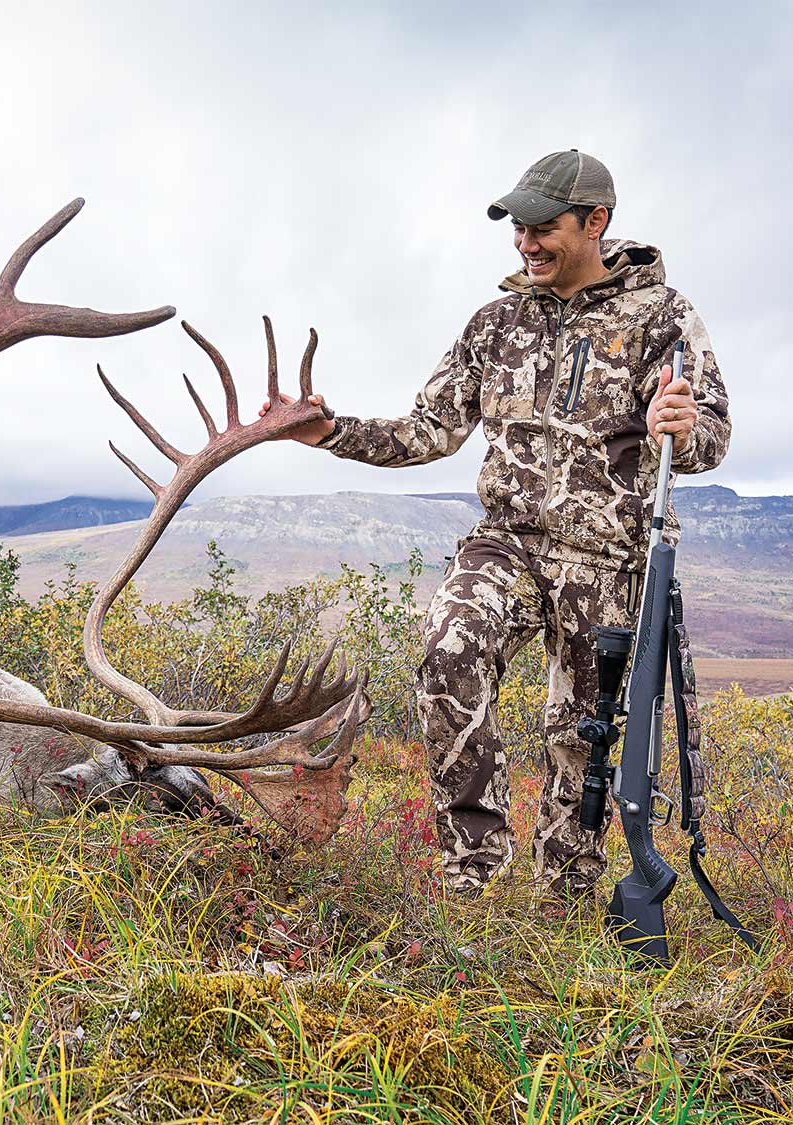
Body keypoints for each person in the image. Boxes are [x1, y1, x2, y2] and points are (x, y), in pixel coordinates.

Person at [263, 150, 730, 898]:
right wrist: (329, 432)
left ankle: (565, 888)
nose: (526, 243)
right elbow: (427, 431)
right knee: (449, 652)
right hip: (505, 543)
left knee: (583, 736)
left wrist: (684, 425)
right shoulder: (495, 324)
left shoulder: (663, 320)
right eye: (519, 227)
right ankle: (471, 869)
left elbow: (709, 436)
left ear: (596, 223)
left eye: (544, 227)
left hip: (609, 560)